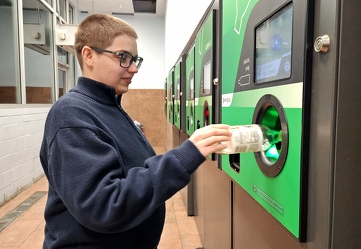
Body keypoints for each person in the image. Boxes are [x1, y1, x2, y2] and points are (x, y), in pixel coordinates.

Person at [39, 13, 231, 249]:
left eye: (135, 59)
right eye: (123, 57)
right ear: (89, 55)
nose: (133, 68)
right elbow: (105, 205)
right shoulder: (72, 115)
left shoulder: (108, 107)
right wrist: (185, 155)